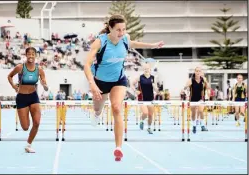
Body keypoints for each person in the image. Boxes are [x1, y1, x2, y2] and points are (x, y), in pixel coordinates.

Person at [83, 14, 164, 161]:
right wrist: (92, 84)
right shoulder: (100, 42)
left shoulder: (125, 39)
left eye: (124, 29)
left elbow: (135, 43)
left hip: (118, 80)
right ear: (110, 28)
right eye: (118, 30)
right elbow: (86, 65)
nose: (121, 33)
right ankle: (96, 114)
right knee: (97, 108)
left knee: (116, 108)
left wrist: (153, 45)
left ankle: (118, 147)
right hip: (100, 82)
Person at [7, 47, 49, 153]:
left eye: (33, 54)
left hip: (33, 97)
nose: (31, 56)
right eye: (29, 54)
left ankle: (28, 145)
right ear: (26, 55)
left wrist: (45, 86)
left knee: (37, 122)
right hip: (21, 98)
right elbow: (10, 76)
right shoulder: (20, 67)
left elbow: (45, 84)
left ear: (36, 55)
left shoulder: (39, 70)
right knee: (25, 127)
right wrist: (14, 87)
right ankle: (25, 117)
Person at [130, 63, 158, 134]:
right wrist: (135, 90)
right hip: (141, 98)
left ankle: (149, 127)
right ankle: (142, 120)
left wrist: (155, 87)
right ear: (143, 69)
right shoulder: (140, 77)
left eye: (147, 68)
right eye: (145, 69)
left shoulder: (153, 78)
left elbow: (156, 89)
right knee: (145, 113)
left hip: (150, 98)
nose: (146, 70)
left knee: (151, 115)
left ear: (150, 69)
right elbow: (131, 84)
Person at [184, 67, 209, 134]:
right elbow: (185, 87)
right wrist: (187, 86)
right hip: (193, 99)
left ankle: (203, 125)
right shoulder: (191, 80)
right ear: (195, 72)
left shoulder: (203, 79)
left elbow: (208, 87)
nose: (198, 72)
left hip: (201, 98)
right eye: (197, 71)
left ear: (201, 72)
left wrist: (206, 81)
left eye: (199, 71)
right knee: (193, 113)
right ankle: (194, 125)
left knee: (201, 111)